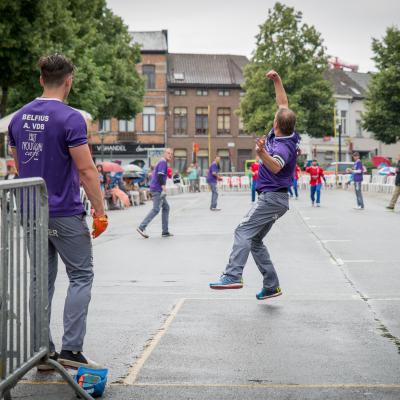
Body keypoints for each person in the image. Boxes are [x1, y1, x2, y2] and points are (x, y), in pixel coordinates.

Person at [7, 54, 108, 370]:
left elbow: (19, 162)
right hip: (64, 210)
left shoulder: (17, 119)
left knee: (40, 279)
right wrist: (101, 212)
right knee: (80, 275)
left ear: (41, 79)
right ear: (69, 81)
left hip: (30, 211)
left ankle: (43, 352)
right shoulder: (71, 118)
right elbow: (87, 170)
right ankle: (71, 350)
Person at [209, 70, 300, 300]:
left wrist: (261, 153)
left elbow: (277, 166)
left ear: (276, 123)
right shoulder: (286, 132)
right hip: (275, 199)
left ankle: (233, 275)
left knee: (242, 230)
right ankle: (272, 285)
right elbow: (283, 102)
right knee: (255, 240)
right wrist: (277, 80)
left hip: (272, 198)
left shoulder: (283, 147)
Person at [137, 148, 173, 238]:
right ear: (164, 153)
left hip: (156, 188)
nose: (170, 155)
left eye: (171, 154)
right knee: (156, 209)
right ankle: (142, 227)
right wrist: (163, 186)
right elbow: (160, 175)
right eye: (168, 153)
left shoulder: (161, 162)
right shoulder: (162, 162)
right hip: (157, 189)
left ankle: (165, 231)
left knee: (166, 207)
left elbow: (155, 174)